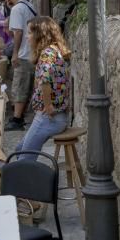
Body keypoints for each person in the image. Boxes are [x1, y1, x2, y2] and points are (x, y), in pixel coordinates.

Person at [12, 17, 72, 159]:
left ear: (40, 34)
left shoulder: (47, 54)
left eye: (30, 33)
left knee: (24, 158)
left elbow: (45, 80)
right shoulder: (54, 50)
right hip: (54, 116)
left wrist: (49, 106)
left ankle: (25, 180)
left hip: (50, 118)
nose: (27, 37)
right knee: (19, 150)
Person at [6, 0, 38, 131]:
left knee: (20, 86)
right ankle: (20, 116)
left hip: (24, 54)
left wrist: (15, 54)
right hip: (31, 52)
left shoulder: (17, 9)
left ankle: (17, 119)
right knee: (26, 85)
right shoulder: (27, 5)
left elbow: (18, 32)